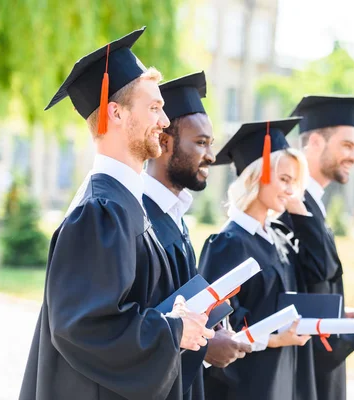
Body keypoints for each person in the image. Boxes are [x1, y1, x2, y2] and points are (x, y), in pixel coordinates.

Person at [19, 28, 213, 400]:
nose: (164, 120)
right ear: (116, 113)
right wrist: (173, 330)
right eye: (154, 108)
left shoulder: (127, 202)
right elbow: (84, 326)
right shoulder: (99, 212)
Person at [143, 71, 251, 400]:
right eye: (201, 142)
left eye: (211, 143)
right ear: (164, 142)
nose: (212, 156)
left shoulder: (175, 217)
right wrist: (203, 347)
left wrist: (215, 327)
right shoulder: (136, 218)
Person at [280, 95, 354, 400]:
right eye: (347, 146)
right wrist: (352, 337)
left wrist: (344, 315)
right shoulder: (289, 210)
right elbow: (297, 298)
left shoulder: (313, 206)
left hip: (323, 370)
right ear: (315, 143)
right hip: (304, 375)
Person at [198, 118, 317, 400]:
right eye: (284, 179)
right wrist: (276, 339)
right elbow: (219, 330)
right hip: (246, 384)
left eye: (294, 182)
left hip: (283, 376)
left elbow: (321, 268)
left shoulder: (278, 238)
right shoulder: (228, 244)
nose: (290, 190)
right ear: (256, 175)